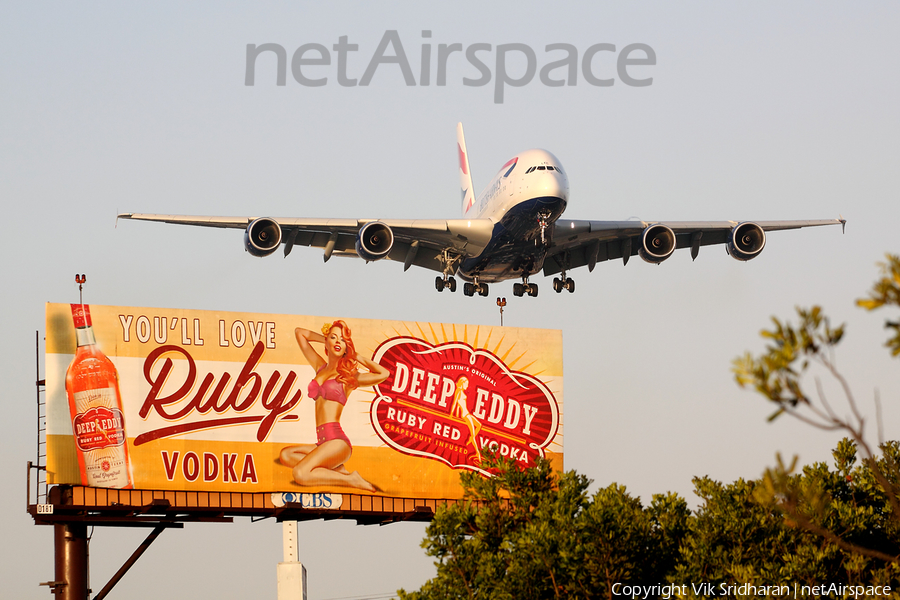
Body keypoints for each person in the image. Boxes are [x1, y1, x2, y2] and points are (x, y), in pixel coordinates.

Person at [279, 320, 389, 492]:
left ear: (347, 346)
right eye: (333, 337)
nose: (338, 342)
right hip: (323, 442)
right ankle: (337, 470)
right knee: (285, 455)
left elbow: (384, 373)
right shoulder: (320, 367)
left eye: (343, 340)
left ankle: (350, 479)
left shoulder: (349, 377)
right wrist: (324, 338)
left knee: (300, 473)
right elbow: (299, 332)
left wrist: (356, 356)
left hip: (337, 443)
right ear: (327, 342)